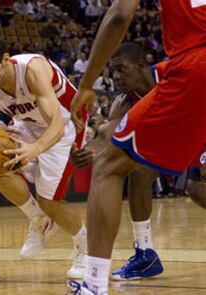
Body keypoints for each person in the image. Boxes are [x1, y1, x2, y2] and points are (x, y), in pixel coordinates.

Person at [69, 1, 206, 294]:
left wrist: (86, 84)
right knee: (154, 176)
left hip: (196, 68)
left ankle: (93, 285)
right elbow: (109, 132)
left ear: (141, 65)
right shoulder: (125, 99)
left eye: (121, 70)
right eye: (113, 72)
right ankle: (144, 253)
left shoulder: (168, 73)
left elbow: (119, 15)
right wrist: (91, 148)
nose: (116, 77)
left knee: (110, 168)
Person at [0, 34, 88, 279]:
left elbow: (55, 123)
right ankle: (39, 220)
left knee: (50, 202)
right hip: (28, 124)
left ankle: (87, 248)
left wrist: (35, 149)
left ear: (5, 59)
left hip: (65, 123)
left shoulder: (32, 70)